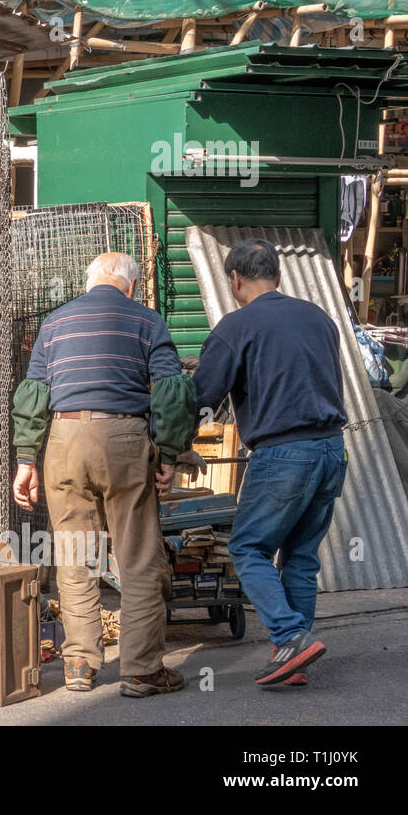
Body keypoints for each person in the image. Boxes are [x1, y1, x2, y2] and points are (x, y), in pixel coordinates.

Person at [12, 253, 197, 697]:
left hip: (64, 439)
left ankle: (79, 664)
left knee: (76, 556)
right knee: (137, 560)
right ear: (130, 286)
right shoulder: (148, 321)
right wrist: (169, 455)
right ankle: (140, 671)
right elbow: (172, 392)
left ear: (89, 280)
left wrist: (25, 460)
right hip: (124, 439)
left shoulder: (55, 322)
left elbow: (34, 392)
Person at [193, 238, 346, 686]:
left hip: (283, 454)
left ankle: (289, 636)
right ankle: (292, 655)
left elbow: (203, 395)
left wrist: (172, 442)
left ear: (235, 280)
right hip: (332, 448)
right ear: (277, 274)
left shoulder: (235, 326)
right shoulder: (319, 319)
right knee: (300, 555)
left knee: (248, 547)